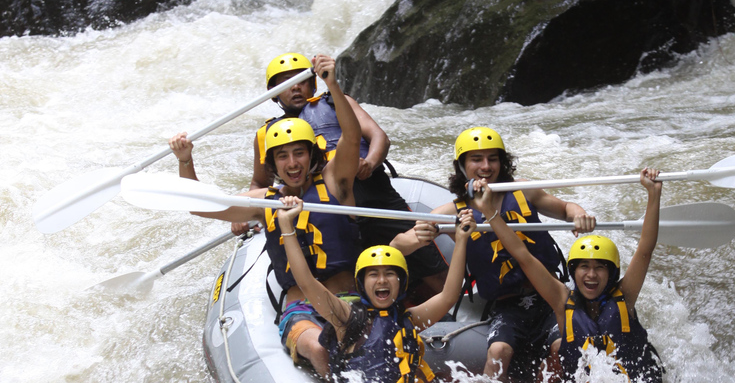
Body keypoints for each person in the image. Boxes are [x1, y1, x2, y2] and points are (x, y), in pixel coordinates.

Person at [170, 55, 361, 376]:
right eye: (282, 156)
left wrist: (332, 84)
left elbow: (352, 138)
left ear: (311, 155)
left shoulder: (335, 182)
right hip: (301, 310)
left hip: (349, 299)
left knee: (360, 343)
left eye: (299, 152)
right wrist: (186, 161)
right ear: (273, 164)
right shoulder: (265, 202)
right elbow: (200, 205)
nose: (292, 162)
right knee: (319, 347)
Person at [392, 126, 597, 381]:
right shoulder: (449, 214)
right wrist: (416, 238)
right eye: (476, 159)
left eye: (493, 158)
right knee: (498, 351)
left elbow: (566, 208)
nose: (486, 166)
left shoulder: (524, 190)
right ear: (462, 166)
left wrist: (579, 214)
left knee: (560, 348)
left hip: (550, 295)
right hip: (506, 304)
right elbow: (398, 246)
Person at [253, 52, 449, 302]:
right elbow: (260, 184)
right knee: (365, 277)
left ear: (312, 82)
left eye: (300, 80)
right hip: (333, 213)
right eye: (285, 82)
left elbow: (379, 137)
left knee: (433, 272)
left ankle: (451, 309)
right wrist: (244, 221)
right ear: (274, 92)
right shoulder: (268, 133)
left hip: (375, 196)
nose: (295, 87)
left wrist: (369, 162)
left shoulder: (337, 103)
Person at [473, 168, 664, 382]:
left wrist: (653, 194)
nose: (591, 275)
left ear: (611, 273)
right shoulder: (562, 300)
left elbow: (645, 249)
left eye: (600, 267)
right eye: (584, 267)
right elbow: (523, 256)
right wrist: (490, 213)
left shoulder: (625, 296)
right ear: (573, 270)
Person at [276, 193, 476, 382]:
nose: (382, 280)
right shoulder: (345, 318)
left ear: (401, 282)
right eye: (373, 274)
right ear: (362, 285)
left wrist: (461, 241)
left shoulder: (409, 320)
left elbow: (449, 296)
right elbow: (306, 282)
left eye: (390, 273)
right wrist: (287, 227)